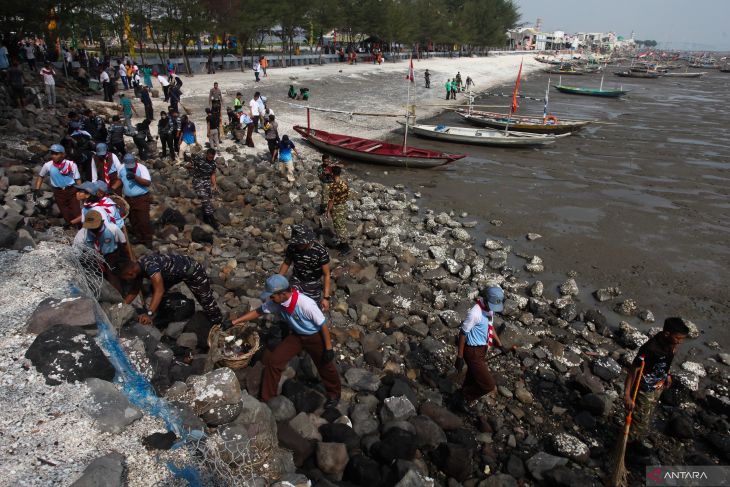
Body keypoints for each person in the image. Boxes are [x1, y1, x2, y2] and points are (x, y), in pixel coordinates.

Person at [228, 275, 340, 406]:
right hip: (297, 336)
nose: (270, 298)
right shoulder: (278, 302)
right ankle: (267, 398)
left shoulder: (305, 304)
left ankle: (334, 394)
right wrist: (234, 322)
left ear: (283, 293)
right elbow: (258, 311)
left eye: (272, 295)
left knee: (325, 365)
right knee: (274, 361)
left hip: (315, 336)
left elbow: (323, 324)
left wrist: (328, 348)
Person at [624, 318, 690, 456]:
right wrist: (627, 395)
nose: (680, 341)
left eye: (682, 339)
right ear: (667, 333)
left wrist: (668, 375)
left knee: (646, 416)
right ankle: (627, 447)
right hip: (644, 388)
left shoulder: (671, 344)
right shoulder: (650, 348)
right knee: (639, 418)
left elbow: (667, 361)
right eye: (678, 338)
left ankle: (635, 440)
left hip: (658, 386)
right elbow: (633, 370)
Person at [121, 253, 224, 327]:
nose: (126, 280)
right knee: (154, 289)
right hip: (173, 275)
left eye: (125, 278)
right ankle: (164, 316)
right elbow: (134, 290)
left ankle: (218, 323)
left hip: (192, 271)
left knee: (205, 300)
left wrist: (148, 314)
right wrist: (121, 307)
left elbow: (159, 291)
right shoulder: (138, 268)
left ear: (131, 273)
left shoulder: (151, 267)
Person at [453, 286, 505, 412]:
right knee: (488, 385)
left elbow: (490, 326)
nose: (493, 309)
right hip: (472, 351)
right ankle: (461, 396)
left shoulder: (488, 309)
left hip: (482, 349)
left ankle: (463, 399)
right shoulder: (475, 313)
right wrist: (460, 357)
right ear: (486, 300)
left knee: (472, 377)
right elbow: (463, 333)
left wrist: (500, 344)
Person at [73, 209, 129, 292]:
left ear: (102, 222)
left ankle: (119, 296)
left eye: (96, 227)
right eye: (91, 228)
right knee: (98, 282)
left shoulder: (113, 229)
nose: (94, 230)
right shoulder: (82, 234)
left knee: (114, 278)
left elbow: (123, 243)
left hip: (111, 256)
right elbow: (76, 252)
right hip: (92, 259)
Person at [279, 225, 331, 307]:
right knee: (289, 304)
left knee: (312, 307)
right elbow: (287, 263)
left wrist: (326, 297)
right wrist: (278, 279)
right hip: (296, 280)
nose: (299, 245)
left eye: (302, 243)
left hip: (313, 283)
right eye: (297, 242)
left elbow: (326, 274)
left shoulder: (320, 251)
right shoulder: (292, 247)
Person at [34, 144, 81, 226]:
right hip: (58, 192)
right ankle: (70, 227)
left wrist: (81, 191)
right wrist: (37, 189)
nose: (53, 156)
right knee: (64, 211)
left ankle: (81, 227)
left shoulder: (71, 164)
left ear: (63, 154)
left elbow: (77, 179)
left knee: (76, 210)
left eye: (56, 154)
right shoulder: (48, 165)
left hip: (72, 190)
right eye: (52, 153)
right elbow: (41, 176)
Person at [114, 154, 153, 246]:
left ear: (135, 161)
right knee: (133, 219)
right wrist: (113, 188)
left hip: (141, 198)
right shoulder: (121, 168)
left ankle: (147, 240)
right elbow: (120, 179)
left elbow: (147, 182)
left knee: (143, 219)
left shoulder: (141, 168)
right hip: (128, 199)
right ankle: (138, 237)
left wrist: (135, 177)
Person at [187, 148, 219, 230]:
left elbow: (212, 174)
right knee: (204, 199)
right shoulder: (199, 159)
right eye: (209, 157)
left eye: (212, 157)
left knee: (208, 198)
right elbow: (189, 164)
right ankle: (212, 220)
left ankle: (205, 217)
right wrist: (190, 167)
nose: (210, 159)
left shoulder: (213, 164)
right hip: (198, 180)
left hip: (206, 181)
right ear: (206, 154)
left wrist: (214, 184)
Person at [326, 166, 350, 252]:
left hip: (337, 207)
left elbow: (331, 200)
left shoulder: (333, 186)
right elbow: (347, 195)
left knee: (339, 227)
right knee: (342, 224)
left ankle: (345, 247)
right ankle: (343, 243)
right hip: (343, 205)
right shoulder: (345, 183)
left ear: (332, 173)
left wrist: (328, 211)